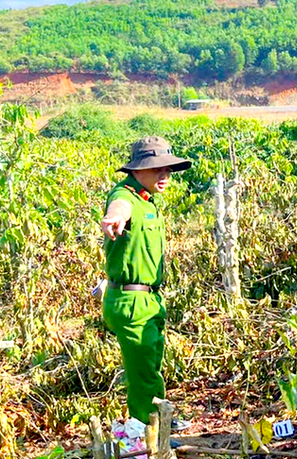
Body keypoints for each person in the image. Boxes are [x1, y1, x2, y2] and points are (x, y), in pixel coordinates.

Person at [101, 136, 192, 429]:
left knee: (151, 367)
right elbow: (118, 208)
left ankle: (157, 423)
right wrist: (114, 218)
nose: (164, 175)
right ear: (136, 170)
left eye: (167, 169)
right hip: (131, 301)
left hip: (148, 299)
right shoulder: (126, 196)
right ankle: (148, 433)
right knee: (143, 374)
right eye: (157, 169)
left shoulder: (146, 200)